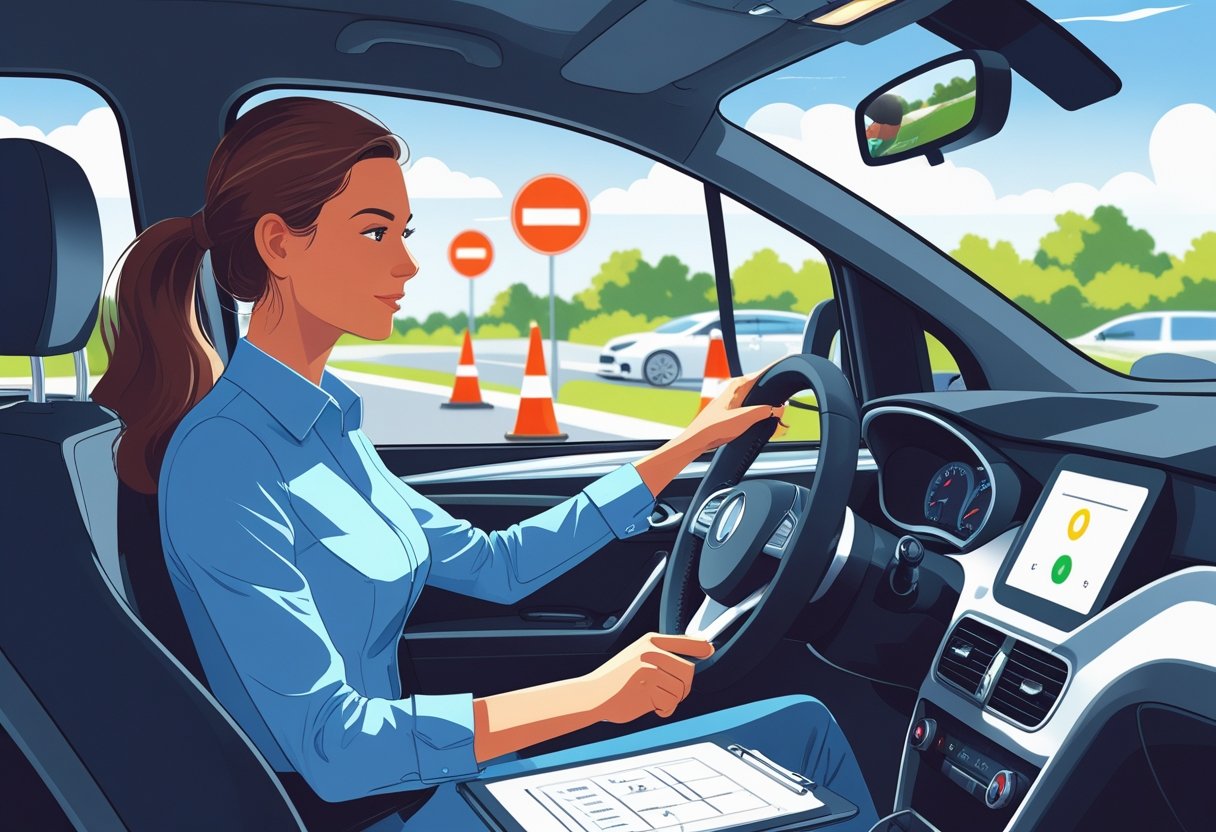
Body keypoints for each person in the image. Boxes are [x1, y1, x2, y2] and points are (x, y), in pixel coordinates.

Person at [93, 97, 879, 831]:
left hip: (423, 786)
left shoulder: (328, 426)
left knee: (794, 728)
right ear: (278, 244)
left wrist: (684, 449)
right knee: (802, 738)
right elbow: (334, 747)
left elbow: (496, 566)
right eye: (375, 233)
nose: (407, 265)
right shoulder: (225, 459)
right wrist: (592, 697)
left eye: (405, 232)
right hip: (367, 813)